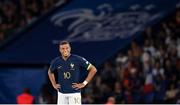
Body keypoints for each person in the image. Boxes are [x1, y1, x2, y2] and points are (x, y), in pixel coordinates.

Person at [48, 40, 97, 105]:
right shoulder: (56, 61)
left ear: (70, 48)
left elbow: (93, 69)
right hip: (61, 93)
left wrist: (84, 83)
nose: (65, 50)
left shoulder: (77, 59)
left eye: (67, 48)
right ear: (60, 50)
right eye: (63, 48)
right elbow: (50, 72)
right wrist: (53, 84)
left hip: (74, 93)